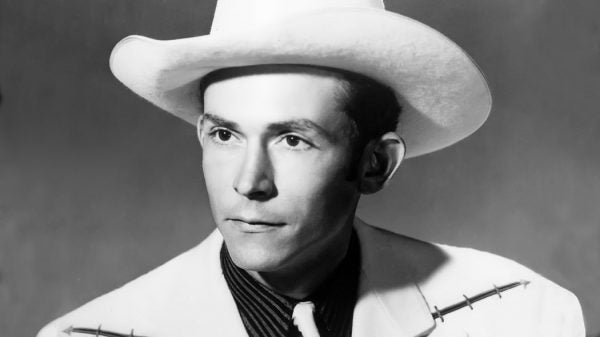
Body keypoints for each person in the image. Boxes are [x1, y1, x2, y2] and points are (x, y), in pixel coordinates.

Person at [38, 0, 585, 336]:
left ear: (376, 163)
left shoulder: (520, 318)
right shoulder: (89, 334)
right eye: (225, 134)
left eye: (294, 140)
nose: (247, 183)